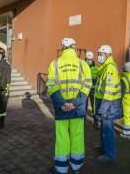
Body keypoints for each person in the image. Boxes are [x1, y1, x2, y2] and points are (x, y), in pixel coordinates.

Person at [46, 38, 92, 174]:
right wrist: (75, 103)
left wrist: (62, 104)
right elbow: (87, 84)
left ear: (62, 48)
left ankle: (61, 168)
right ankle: (76, 167)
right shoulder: (82, 64)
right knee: (77, 136)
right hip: (77, 108)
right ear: (74, 47)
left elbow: (51, 85)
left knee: (62, 137)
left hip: (62, 108)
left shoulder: (54, 64)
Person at [94, 45, 122, 162]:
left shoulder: (110, 68)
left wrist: (102, 110)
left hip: (108, 103)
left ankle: (110, 155)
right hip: (103, 101)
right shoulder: (104, 67)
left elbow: (109, 92)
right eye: (98, 54)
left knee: (107, 129)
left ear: (107, 55)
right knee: (103, 128)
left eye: (101, 54)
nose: (99, 56)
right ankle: (104, 147)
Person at [0, 47, 11, 130]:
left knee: (2, 109)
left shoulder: (6, 66)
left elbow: (7, 79)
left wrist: (5, 90)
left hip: (2, 90)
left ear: (2, 55)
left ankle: (1, 123)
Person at [85, 51, 99, 129]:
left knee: (94, 107)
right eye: (87, 59)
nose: (89, 61)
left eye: (90, 59)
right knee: (84, 106)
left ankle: (96, 122)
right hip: (85, 90)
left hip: (93, 90)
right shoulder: (82, 67)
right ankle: (83, 122)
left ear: (92, 59)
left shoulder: (97, 68)